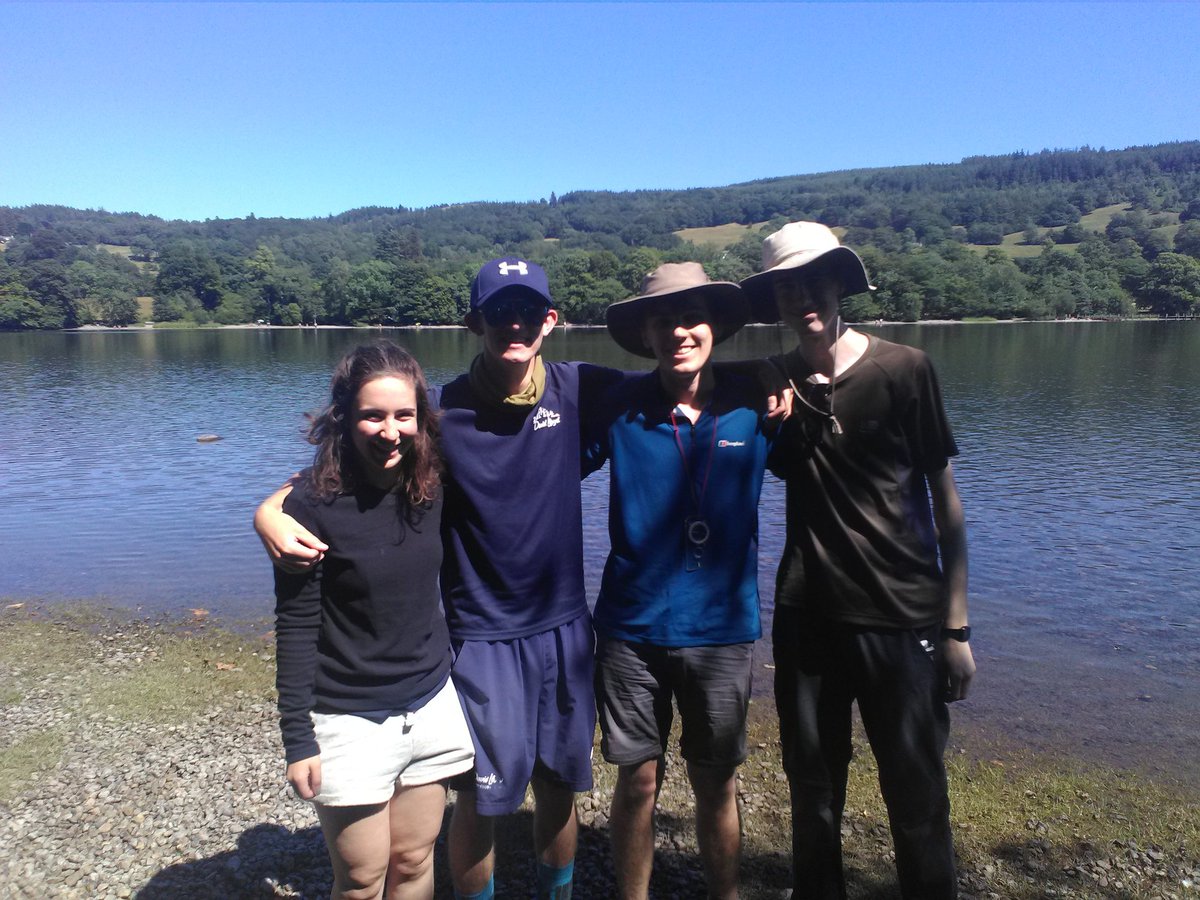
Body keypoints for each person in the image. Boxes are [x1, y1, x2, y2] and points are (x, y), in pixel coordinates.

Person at [257, 258, 622, 900]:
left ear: (551, 320)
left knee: (561, 786)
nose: (516, 323)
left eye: (529, 311)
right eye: (499, 312)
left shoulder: (580, 389)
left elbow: (677, 387)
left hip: (565, 628)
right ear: (473, 322)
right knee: (482, 798)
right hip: (480, 638)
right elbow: (342, 474)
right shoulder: (440, 416)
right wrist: (268, 510)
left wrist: (767, 375)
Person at [740, 222, 976, 900]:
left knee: (918, 796)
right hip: (807, 616)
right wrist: (768, 379)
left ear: (841, 283)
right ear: (776, 300)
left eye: (816, 280)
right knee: (813, 796)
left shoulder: (906, 370)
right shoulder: (775, 381)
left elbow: (946, 502)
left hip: (903, 619)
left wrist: (956, 630)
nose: (803, 297)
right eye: (787, 287)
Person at [585, 263, 773, 900]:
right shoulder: (618, 406)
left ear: (715, 327)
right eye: (664, 320)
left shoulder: (755, 403)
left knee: (716, 780)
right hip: (630, 630)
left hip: (721, 630)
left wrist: (775, 375)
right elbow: (528, 452)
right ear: (647, 332)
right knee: (637, 780)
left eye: (692, 319)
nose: (680, 332)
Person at [271, 340, 475, 900]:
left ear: (421, 418)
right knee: (361, 879)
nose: (391, 431)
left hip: (430, 703)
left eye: (404, 415)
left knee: (412, 861)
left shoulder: (435, 482)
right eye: (373, 415)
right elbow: (294, 627)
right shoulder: (311, 507)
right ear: (344, 417)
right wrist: (297, 737)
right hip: (348, 717)